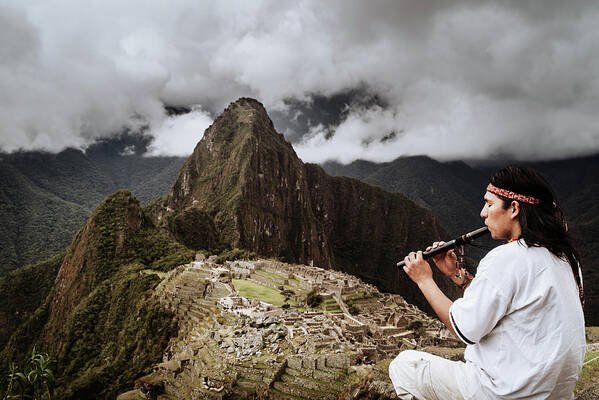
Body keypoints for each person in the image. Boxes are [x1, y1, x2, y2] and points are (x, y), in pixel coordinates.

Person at [388, 166, 586, 400]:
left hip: (505, 393)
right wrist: (456, 275)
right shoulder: (565, 256)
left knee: (403, 366)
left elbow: (464, 328)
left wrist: (424, 279)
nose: (483, 213)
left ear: (514, 208)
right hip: (556, 393)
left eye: (490, 204)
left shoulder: (506, 257)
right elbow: (500, 304)